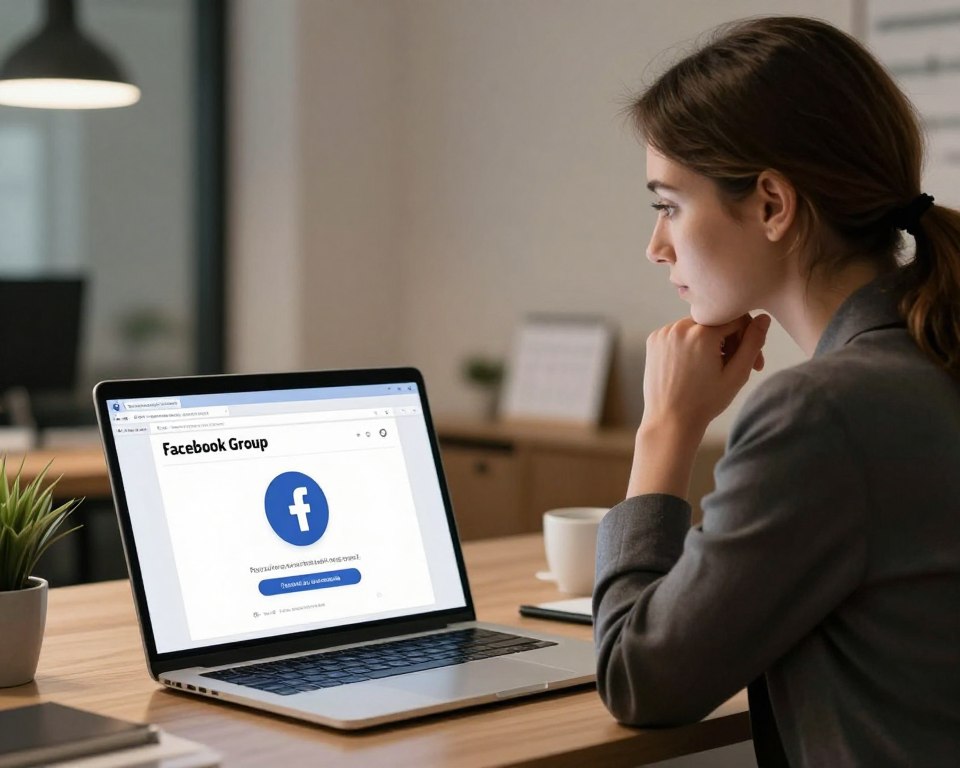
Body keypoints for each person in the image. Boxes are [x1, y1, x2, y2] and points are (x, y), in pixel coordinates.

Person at [593, 16, 960, 767]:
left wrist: (664, 428)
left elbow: (639, 679)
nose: (656, 246)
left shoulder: (822, 411)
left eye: (669, 205)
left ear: (770, 204)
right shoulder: (932, 359)